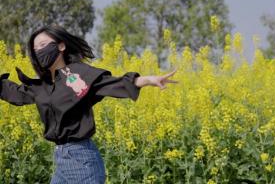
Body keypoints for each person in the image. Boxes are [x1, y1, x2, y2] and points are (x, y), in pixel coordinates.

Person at [0, 25, 178, 184]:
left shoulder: (79, 74)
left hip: (81, 160)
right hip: (61, 159)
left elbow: (109, 84)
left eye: (43, 45)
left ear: (61, 46)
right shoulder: (45, 85)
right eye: (35, 48)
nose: (39, 51)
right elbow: (18, 93)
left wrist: (147, 80)